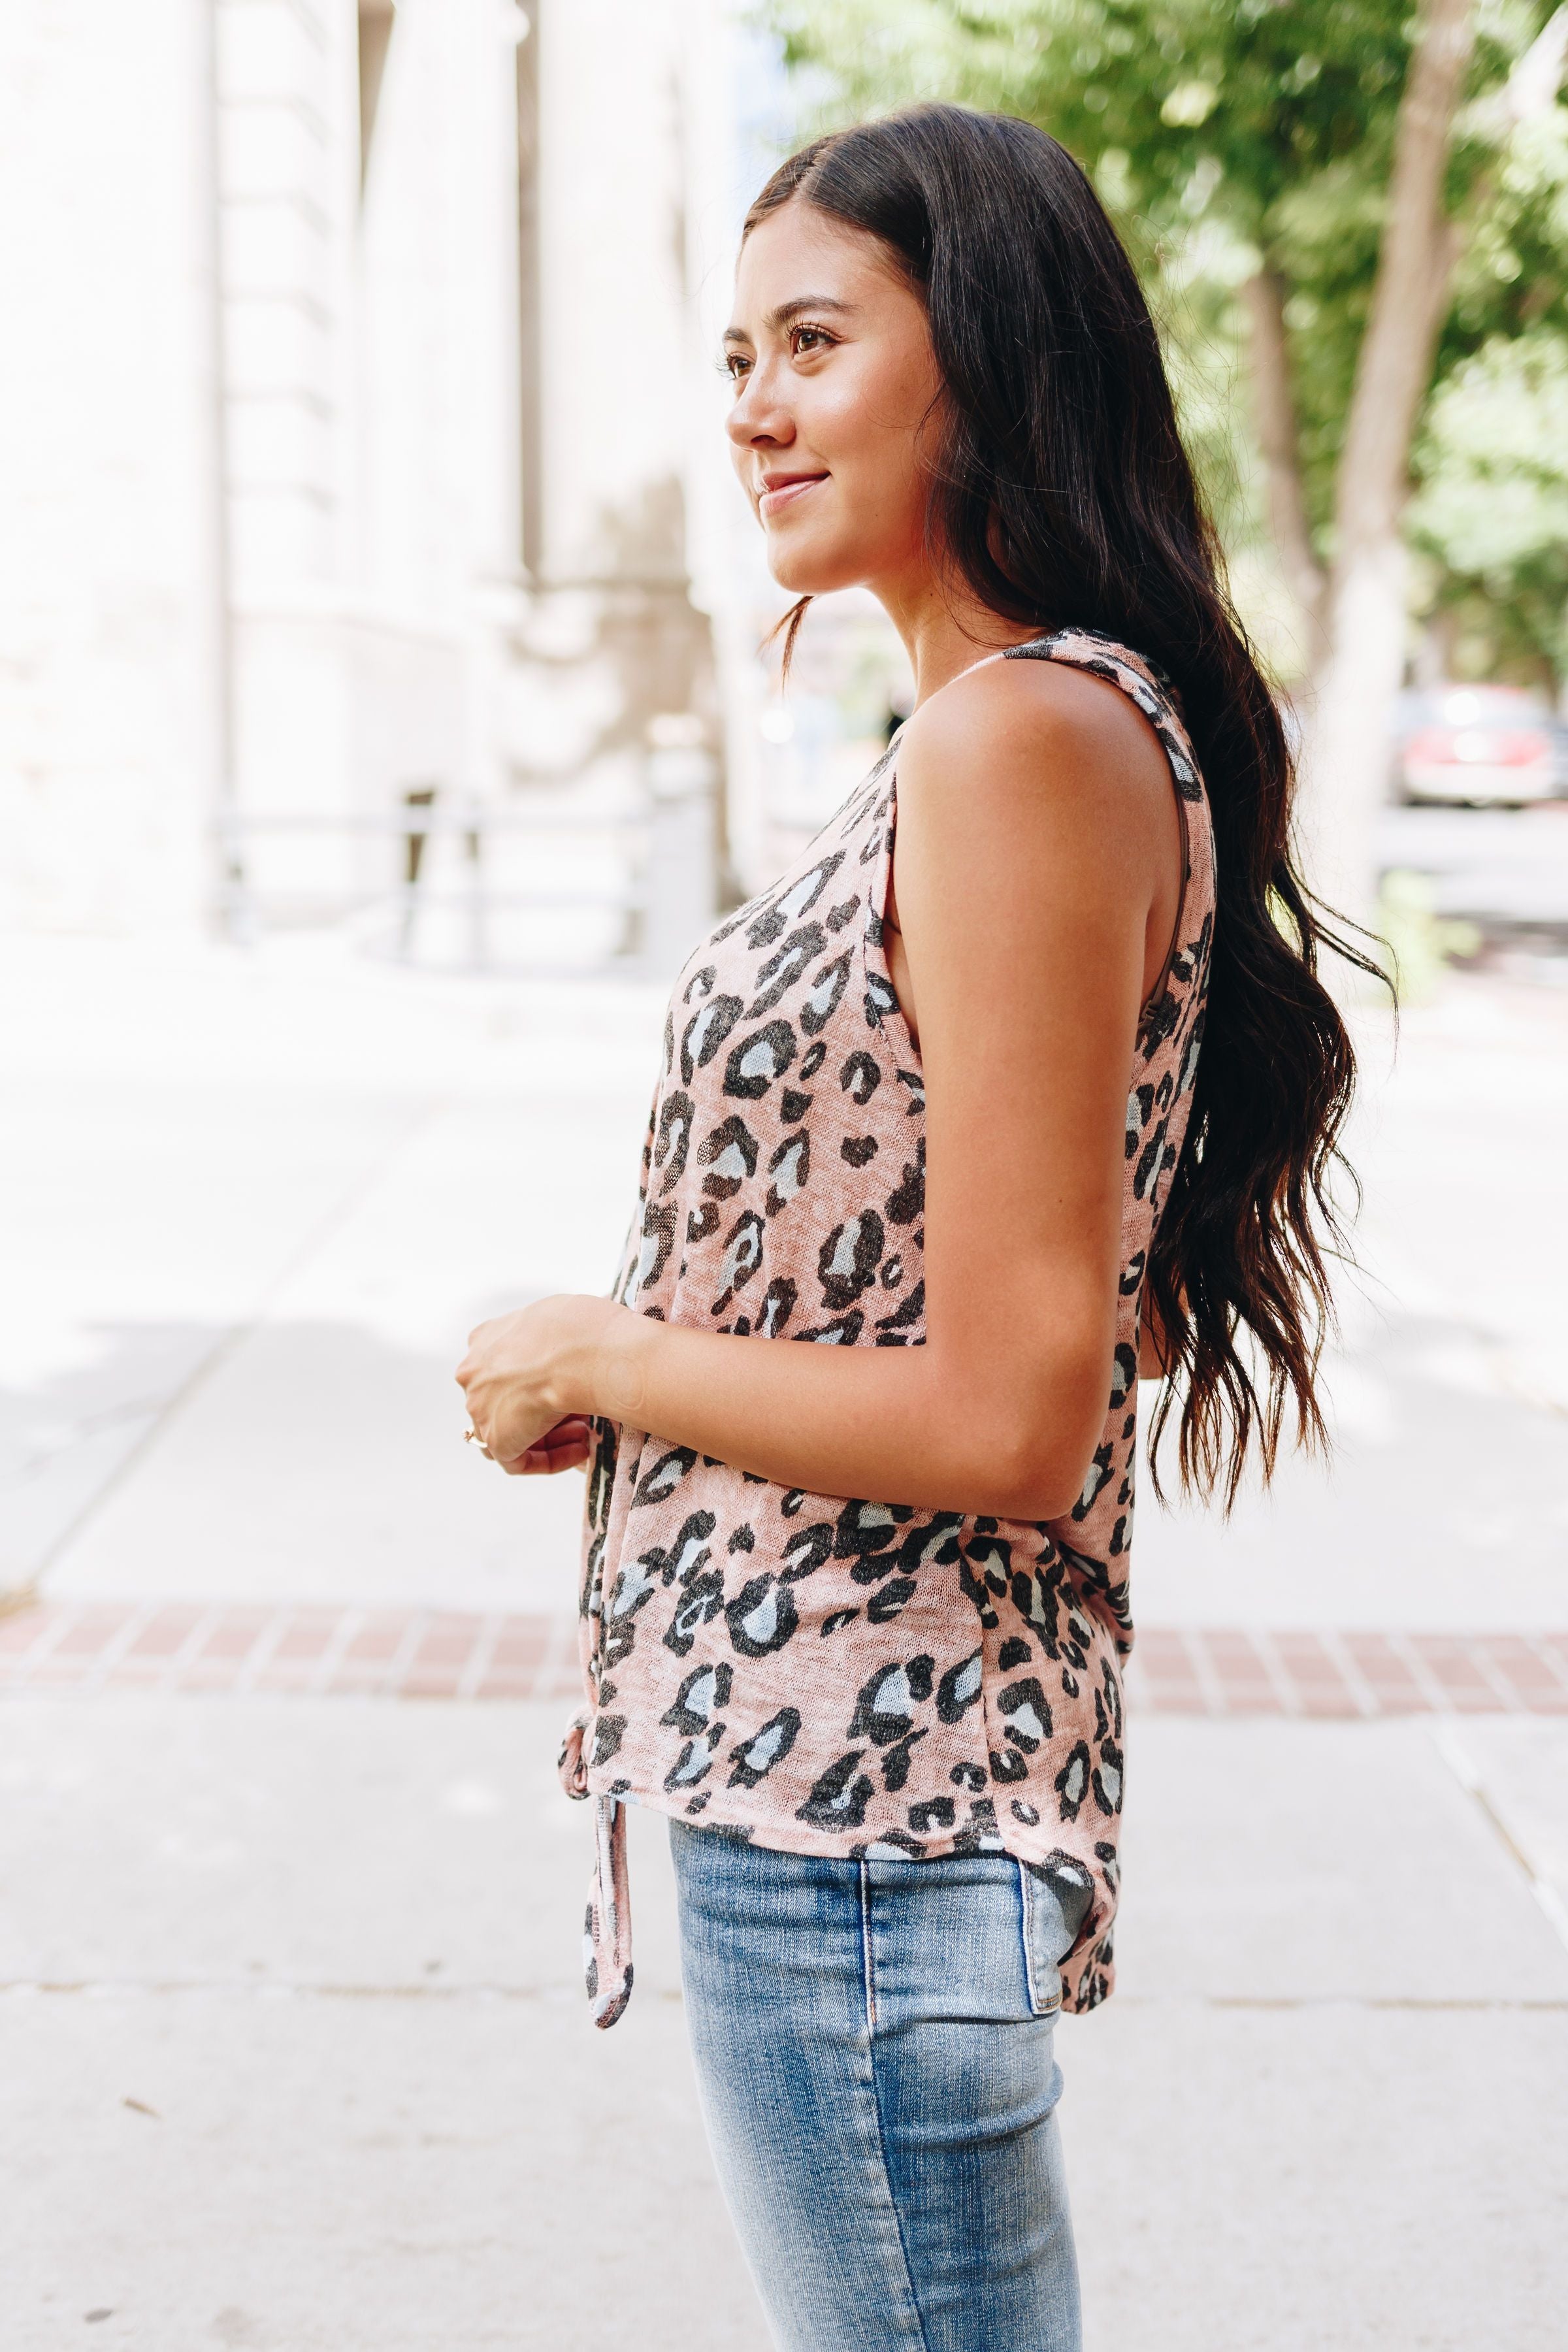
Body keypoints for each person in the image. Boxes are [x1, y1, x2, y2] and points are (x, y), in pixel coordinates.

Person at [457, 104, 1367, 2352]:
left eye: (816, 342)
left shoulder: (1017, 745)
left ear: (987, 353)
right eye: (735, 354)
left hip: (863, 1815)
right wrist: (710, 1381)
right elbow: (1059, 1299)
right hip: (841, 1802)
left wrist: (602, 1353)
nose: (755, 403)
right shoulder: (998, 729)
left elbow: (1012, 1410)